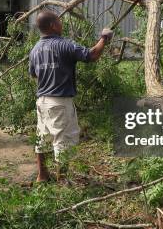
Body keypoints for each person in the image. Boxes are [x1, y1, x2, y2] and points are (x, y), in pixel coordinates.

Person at [28, 10, 113, 182]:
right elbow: (92, 55)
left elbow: (34, 75)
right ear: (52, 25)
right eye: (59, 21)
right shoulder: (64, 44)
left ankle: (42, 176)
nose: (62, 24)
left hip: (42, 102)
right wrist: (104, 38)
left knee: (42, 139)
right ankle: (63, 183)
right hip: (59, 102)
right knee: (63, 142)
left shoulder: (35, 49)